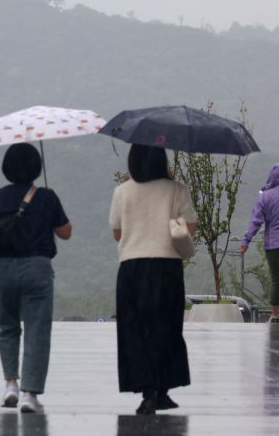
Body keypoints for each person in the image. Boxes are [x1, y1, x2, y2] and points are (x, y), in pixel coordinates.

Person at [0, 143, 71, 413]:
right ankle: (30, 395)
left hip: (2, 270)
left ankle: (10, 384)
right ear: (37, 168)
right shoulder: (47, 197)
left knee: (7, 327)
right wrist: (52, 203)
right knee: (37, 330)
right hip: (37, 269)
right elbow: (66, 232)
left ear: (6, 168)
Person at [108, 144, 197, 415]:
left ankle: (146, 392)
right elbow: (190, 228)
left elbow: (117, 233)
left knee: (134, 331)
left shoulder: (122, 192)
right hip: (166, 267)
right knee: (166, 328)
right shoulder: (177, 189)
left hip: (131, 268)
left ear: (133, 160)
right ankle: (162, 390)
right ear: (162, 160)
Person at [241, 163, 279, 323]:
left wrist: (246, 241)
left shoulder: (265, 196)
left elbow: (255, 221)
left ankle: (276, 315)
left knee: (277, 279)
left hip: (274, 245)